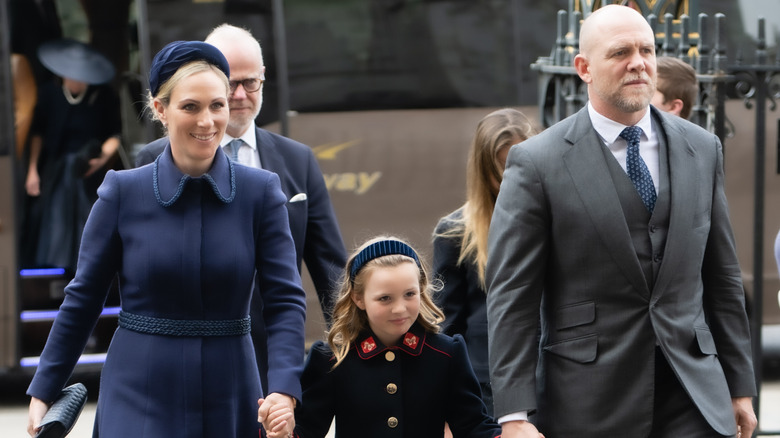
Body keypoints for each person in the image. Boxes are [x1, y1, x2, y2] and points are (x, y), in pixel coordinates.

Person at [485, 5, 756, 438]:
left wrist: (740, 387)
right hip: (589, 401)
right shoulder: (537, 162)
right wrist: (514, 414)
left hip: (694, 396)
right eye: (620, 52)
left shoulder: (702, 148)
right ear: (584, 68)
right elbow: (513, 295)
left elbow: (722, 276)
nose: (638, 63)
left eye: (647, 50)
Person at [26, 40, 305, 438]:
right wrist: (44, 389)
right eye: (190, 106)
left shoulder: (261, 192)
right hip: (137, 391)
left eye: (217, 105)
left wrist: (283, 388)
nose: (207, 121)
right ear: (160, 109)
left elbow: (284, 300)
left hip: (230, 390)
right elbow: (83, 297)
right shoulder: (121, 192)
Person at [135, 25, 347, 390]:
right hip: (186, 357)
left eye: (250, 83)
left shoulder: (298, 161)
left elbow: (330, 267)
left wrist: (354, 349)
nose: (239, 94)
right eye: (230, 83)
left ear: (263, 79)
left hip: (273, 358)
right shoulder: (154, 160)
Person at [290, 236, 502, 437]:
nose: (400, 309)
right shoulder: (332, 358)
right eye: (385, 298)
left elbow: (473, 425)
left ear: (421, 290)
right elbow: (306, 429)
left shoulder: (446, 353)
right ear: (358, 298)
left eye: (410, 294)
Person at [432, 108, 536, 416]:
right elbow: (447, 323)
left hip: (552, 372)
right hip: (485, 382)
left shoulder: (560, 217)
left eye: (519, 166)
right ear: (482, 169)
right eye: (500, 169)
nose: (509, 180)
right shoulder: (455, 230)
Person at [23, 38, 122, 273]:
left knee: (91, 220)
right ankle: (57, 275)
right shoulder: (49, 93)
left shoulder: (104, 95)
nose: (75, 81)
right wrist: (32, 170)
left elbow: (116, 135)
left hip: (90, 168)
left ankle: (91, 272)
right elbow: (38, 133)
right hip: (57, 168)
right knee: (54, 222)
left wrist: (101, 159)